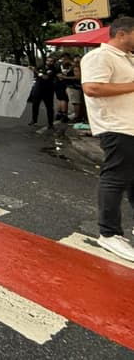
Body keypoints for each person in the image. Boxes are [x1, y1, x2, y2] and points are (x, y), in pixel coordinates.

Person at [80, 16, 134, 262]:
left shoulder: (129, 59)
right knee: (115, 178)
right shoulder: (99, 57)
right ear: (122, 34)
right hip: (116, 127)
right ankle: (109, 233)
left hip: (131, 127)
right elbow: (92, 88)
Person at [29, 56, 58, 131]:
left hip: (48, 90)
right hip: (38, 89)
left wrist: (36, 71)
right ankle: (34, 120)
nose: (49, 62)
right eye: (48, 60)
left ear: (53, 62)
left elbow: (45, 77)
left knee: (49, 107)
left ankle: (50, 124)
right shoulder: (41, 67)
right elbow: (35, 74)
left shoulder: (54, 69)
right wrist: (30, 69)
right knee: (35, 104)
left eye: (51, 61)